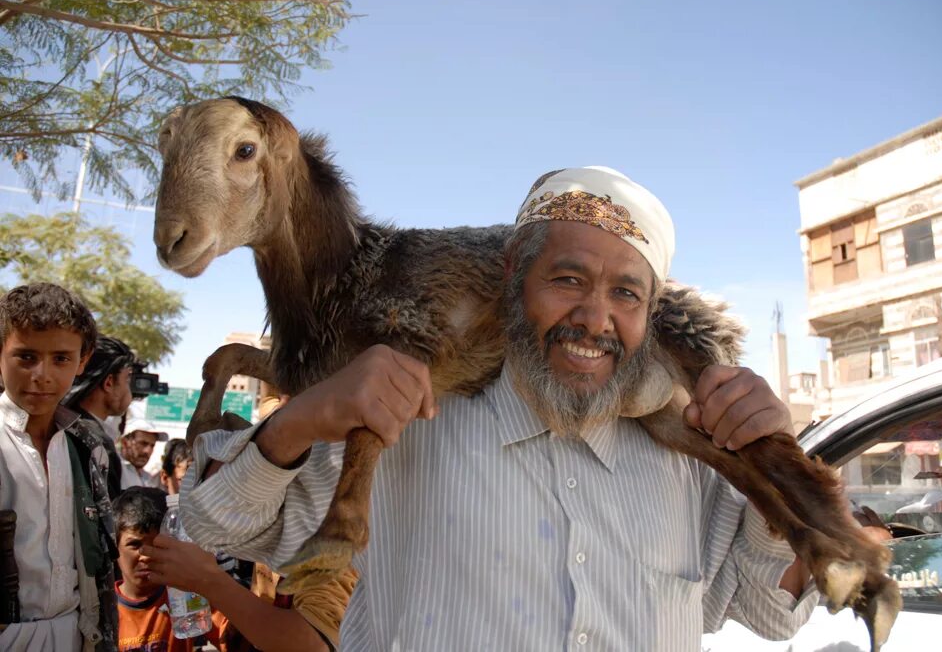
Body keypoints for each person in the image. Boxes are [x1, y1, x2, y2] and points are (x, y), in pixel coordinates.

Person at [181, 167, 818, 649]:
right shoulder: (406, 421)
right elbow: (218, 528)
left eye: (625, 294)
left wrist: (774, 464)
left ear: (648, 312)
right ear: (514, 275)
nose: (595, 319)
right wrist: (297, 420)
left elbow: (771, 612)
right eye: (567, 280)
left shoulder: (687, 455)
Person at [0, 282, 117, 651]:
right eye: (26, 357)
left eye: (61, 359)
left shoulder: (87, 445)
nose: (43, 375)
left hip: (74, 632)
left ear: (84, 360)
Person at [115, 486, 341, 651]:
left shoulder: (330, 544)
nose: (146, 555)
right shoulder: (105, 608)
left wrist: (208, 581)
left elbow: (313, 644)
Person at [112, 486, 229, 651]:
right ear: (115, 547)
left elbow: (239, 640)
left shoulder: (187, 597)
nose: (146, 555)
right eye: (135, 544)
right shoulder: (103, 610)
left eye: (156, 545)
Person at [63, 334, 137, 499]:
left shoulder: (62, 423)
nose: (129, 388)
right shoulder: (95, 441)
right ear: (109, 382)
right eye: (127, 378)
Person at [119, 416, 168, 490]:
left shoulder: (148, 478)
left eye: (152, 445)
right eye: (143, 443)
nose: (147, 451)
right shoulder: (115, 469)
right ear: (125, 443)